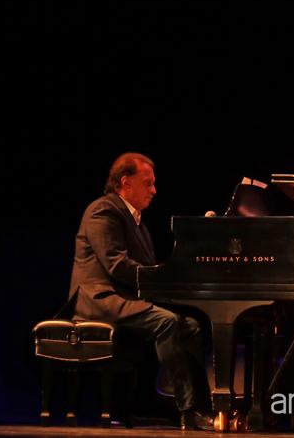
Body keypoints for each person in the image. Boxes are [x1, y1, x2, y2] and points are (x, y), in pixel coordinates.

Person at [67, 152, 214, 431]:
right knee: (167, 322)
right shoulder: (103, 210)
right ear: (126, 182)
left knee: (192, 326)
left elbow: (146, 268)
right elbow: (116, 263)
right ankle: (186, 410)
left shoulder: (139, 224)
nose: (154, 190)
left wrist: (171, 278)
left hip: (126, 300)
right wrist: (160, 275)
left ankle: (203, 408)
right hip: (101, 300)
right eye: (148, 183)